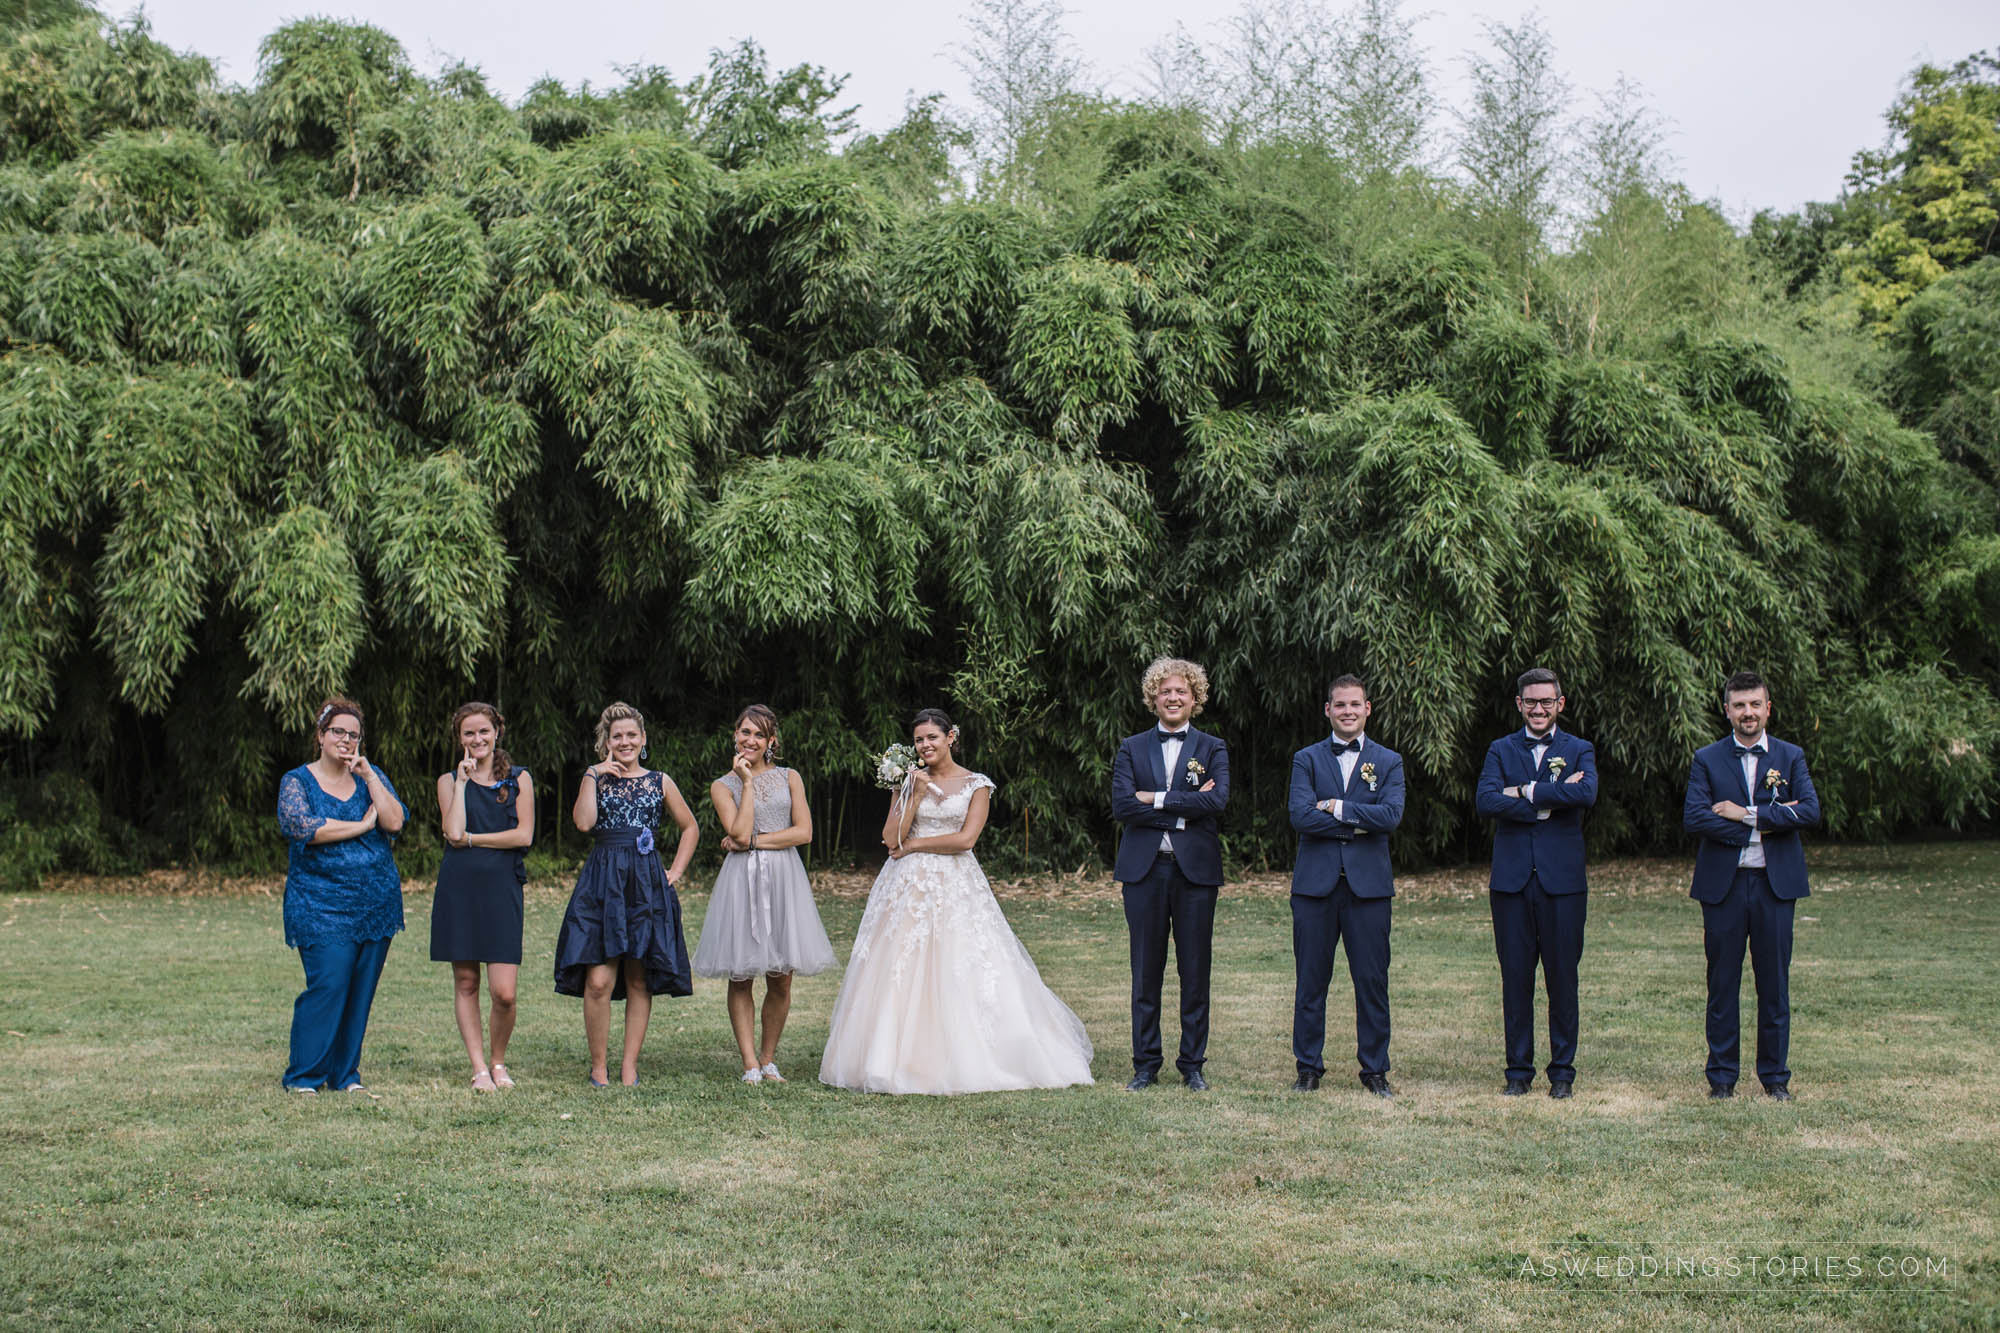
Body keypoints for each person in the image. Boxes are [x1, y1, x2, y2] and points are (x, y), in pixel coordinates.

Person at [819, 708, 1093, 1095]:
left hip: (957, 884)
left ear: (951, 737)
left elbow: (966, 840)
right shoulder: (907, 780)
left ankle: (973, 1056)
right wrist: (913, 794)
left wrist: (916, 844)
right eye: (918, 740)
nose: (925, 745)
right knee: (901, 967)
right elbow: (891, 838)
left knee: (960, 961)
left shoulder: (976, 784)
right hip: (908, 888)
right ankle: (893, 1058)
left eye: (932, 737)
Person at [1683, 670, 1819, 1101]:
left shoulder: (1790, 756)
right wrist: (1772, 822)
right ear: (1727, 710)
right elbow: (1695, 817)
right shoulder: (1707, 759)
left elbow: (1810, 811)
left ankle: (1775, 1078)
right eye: (1739, 705)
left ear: (1768, 709)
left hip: (1774, 887)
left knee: (1774, 985)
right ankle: (1722, 1079)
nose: (1748, 712)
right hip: (1723, 887)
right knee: (1722, 985)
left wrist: (1745, 814)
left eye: (1755, 704)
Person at [553, 702, 699, 1087]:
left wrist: (675, 872)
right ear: (607, 742)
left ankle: (629, 1065)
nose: (625, 742)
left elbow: (690, 827)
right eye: (617, 736)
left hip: (645, 886)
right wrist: (591, 773)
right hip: (603, 883)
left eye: (632, 735)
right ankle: (598, 1066)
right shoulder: (596, 779)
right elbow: (583, 822)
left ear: (643, 739)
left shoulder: (660, 781)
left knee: (638, 978)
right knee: (598, 980)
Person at [692, 705, 835, 1084]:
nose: (751, 740)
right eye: (745, 732)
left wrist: (754, 842)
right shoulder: (723, 786)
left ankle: (769, 1059)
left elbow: (803, 832)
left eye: (759, 734)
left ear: (771, 740)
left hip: (784, 878)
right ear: (735, 736)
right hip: (742, 881)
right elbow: (737, 833)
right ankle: (749, 1063)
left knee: (781, 976)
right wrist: (748, 782)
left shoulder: (790, 777)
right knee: (741, 975)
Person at [1473, 668, 1598, 1099]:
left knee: (1563, 979)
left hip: (1563, 883)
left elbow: (1586, 795)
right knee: (1515, 979)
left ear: (1559, 704)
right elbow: (1485, 800)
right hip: (1511, 883)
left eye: (1546, 701)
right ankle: (1518, 1072)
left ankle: (1562, 1073)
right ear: (1519, 704)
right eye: (1531, 701)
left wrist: (1521, 792)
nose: (1538, 708)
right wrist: (1548, 797)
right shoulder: (1500, 749)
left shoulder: (1579, 749)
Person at [275, 695, 407, 1094]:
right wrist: (361, 828)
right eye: (338, 732)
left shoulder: (371, 776)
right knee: (329, 984)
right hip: (320, 904)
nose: (346, 740)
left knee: (359, 991)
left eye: (354, 735)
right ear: (320, 735)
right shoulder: (297, 781)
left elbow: (395, 822)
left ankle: (345, 1074)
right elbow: (303, 828)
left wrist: (370, 778)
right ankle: (304, 1076)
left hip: (375, 902)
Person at [1109, 657, 1230, 1092]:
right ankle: (1146, 1064)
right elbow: (1123, 806)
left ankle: (1192, 1064)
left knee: (1195, 971)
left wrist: (1154, 799)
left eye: (1181, 691)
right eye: (1165, 691)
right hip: (1144, 872)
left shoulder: (1212, 748)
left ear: (1195, 698)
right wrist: (1182, 808)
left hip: (1195, 873)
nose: (1173, 698)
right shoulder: (1131, 747)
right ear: (1153, 698)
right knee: (1146, 971)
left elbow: (1217, 802)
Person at [1287, 674, 1404, 1097]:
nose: (1348, 711)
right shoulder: (1306, 759)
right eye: (1340, 704)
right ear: (1328, 710)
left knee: (1371, 982)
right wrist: (1359, 823)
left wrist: (1335, 807)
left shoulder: (1388, 761)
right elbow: (1300, 816)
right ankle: (1308, 1068)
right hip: (1314, 888)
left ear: (1367, 709)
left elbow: (1390, 816)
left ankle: (1374, 1070)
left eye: (1355, 704)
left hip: (1368, 889)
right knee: (1310, 982)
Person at [432, 702, 534, 1092]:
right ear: (460, 739)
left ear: (497, 732)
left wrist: (475, 840)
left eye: (484, 731)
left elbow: (523, 836)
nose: (478, 739)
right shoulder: (447, 781)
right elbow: (453, 832)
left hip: (502, 889)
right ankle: (479, 1068)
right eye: (469, 733)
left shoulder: (520, 779)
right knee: (466, 980)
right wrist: (462, 783)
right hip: (459, 889)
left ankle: (498, 1060)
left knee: (504, 992)